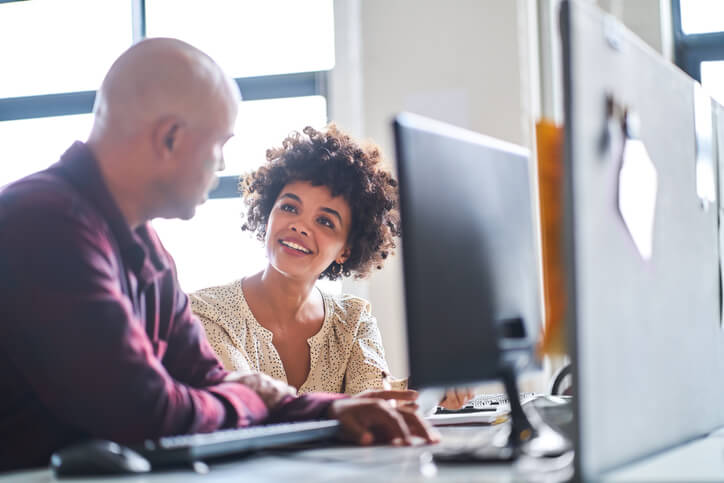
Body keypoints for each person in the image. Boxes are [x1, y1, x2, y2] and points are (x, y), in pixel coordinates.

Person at [0, 38, 436, 472]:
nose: (223, 165)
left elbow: (205, 378)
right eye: (219, 145)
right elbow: (146, 414)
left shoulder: (146, 248)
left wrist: (328, 412)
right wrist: (250, 395)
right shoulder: (45, 221)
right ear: (170, 137)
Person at [190, 125, 474, 408]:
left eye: (325, 221)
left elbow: (373, 402)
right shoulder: (205, 313)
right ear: (267, 214)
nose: (299, 226)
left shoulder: (353, 320)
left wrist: (426, 389)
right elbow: (246, 405)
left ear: (346, 250)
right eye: (289, 207)